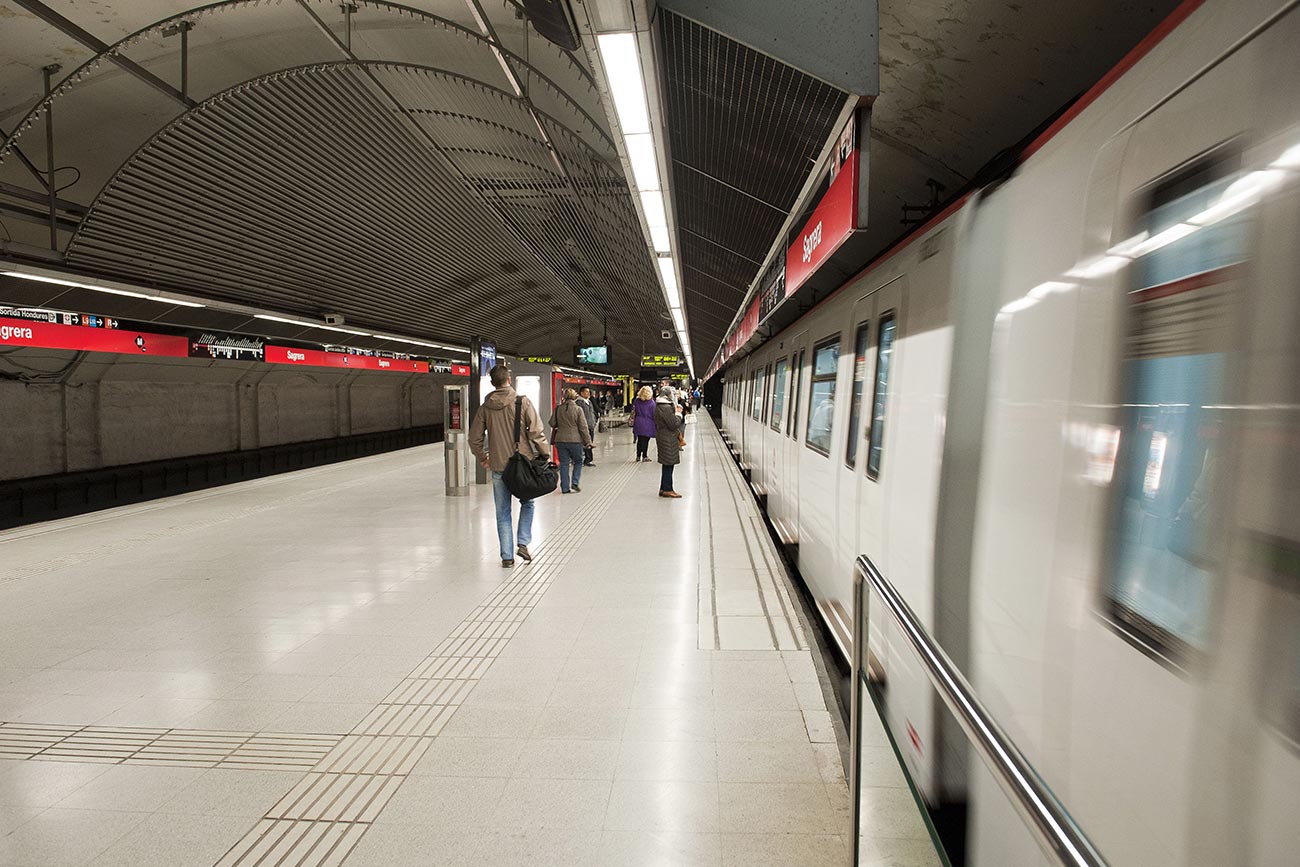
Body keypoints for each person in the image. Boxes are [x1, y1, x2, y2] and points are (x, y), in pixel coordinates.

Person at [469, 365, 552, 568]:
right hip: (522, 464)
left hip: (499, 466)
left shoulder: (485, 407)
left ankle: (507, 557)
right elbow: (536, 432)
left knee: (502, 512)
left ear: (492, 383)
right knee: (528, 502)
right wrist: (545, 453)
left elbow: (474, 438)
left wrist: (483, 458)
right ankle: (523, 542)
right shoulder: (522, 402)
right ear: (509, 379)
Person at [549, 388, 592, 493]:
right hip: (575, 440)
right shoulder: (578, 409)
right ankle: (575, 482)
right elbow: (583, 427)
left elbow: (552, 423)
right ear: (574, 397)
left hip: (560, 440)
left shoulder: (558, 409)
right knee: (578, 461)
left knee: (564, 463)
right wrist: (588, 441)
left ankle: (564, 488)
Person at [654, 386, 684, 498]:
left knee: (666, 464)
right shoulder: (665, 407)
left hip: (663, 436)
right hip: (667, 438)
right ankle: (668, 489)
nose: (673, 396)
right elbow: (673, 424)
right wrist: (678, 414)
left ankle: (663, 488)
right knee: (669, 464)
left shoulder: (660, 405)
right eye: (672, 394)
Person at [631, 385, 656, 462]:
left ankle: (638, 456)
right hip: (648, 423)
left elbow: (633, 410)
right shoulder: (652, 403)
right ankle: (644, 456)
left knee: (639, 439)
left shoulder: (636, 401)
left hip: (638, 422)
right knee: (646, 440)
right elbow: (653, 414)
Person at [577, 386, 597, 466]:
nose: (588, 393)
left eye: (588, 392)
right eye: (586, 391)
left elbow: (592, 413)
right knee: (585, 443)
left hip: (591, 425)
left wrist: (594, 421)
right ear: (581, 393)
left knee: (590, 442)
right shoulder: (579, 403)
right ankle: (586, 459)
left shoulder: (589, 402)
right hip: (584, 426)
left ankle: (588, 459)